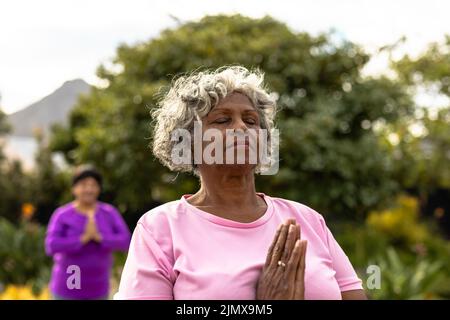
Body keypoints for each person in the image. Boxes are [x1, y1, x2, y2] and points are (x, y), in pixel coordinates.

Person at [115, 66, 367, 300]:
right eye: (222, 120)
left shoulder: (307, 220)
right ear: (188, 142)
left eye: (250, 121)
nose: (241, 128)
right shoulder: (159, 228)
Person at [45, 165, 131, 299]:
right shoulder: (62, 215)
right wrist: (83, 238)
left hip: (98, 290)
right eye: (84, 184)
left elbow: (126, 241)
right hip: (67, 290)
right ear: (74, 188)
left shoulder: (109, 212)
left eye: (93, 185)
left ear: (99, 189)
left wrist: (99, 237)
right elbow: (51, 245)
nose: (89, 189)